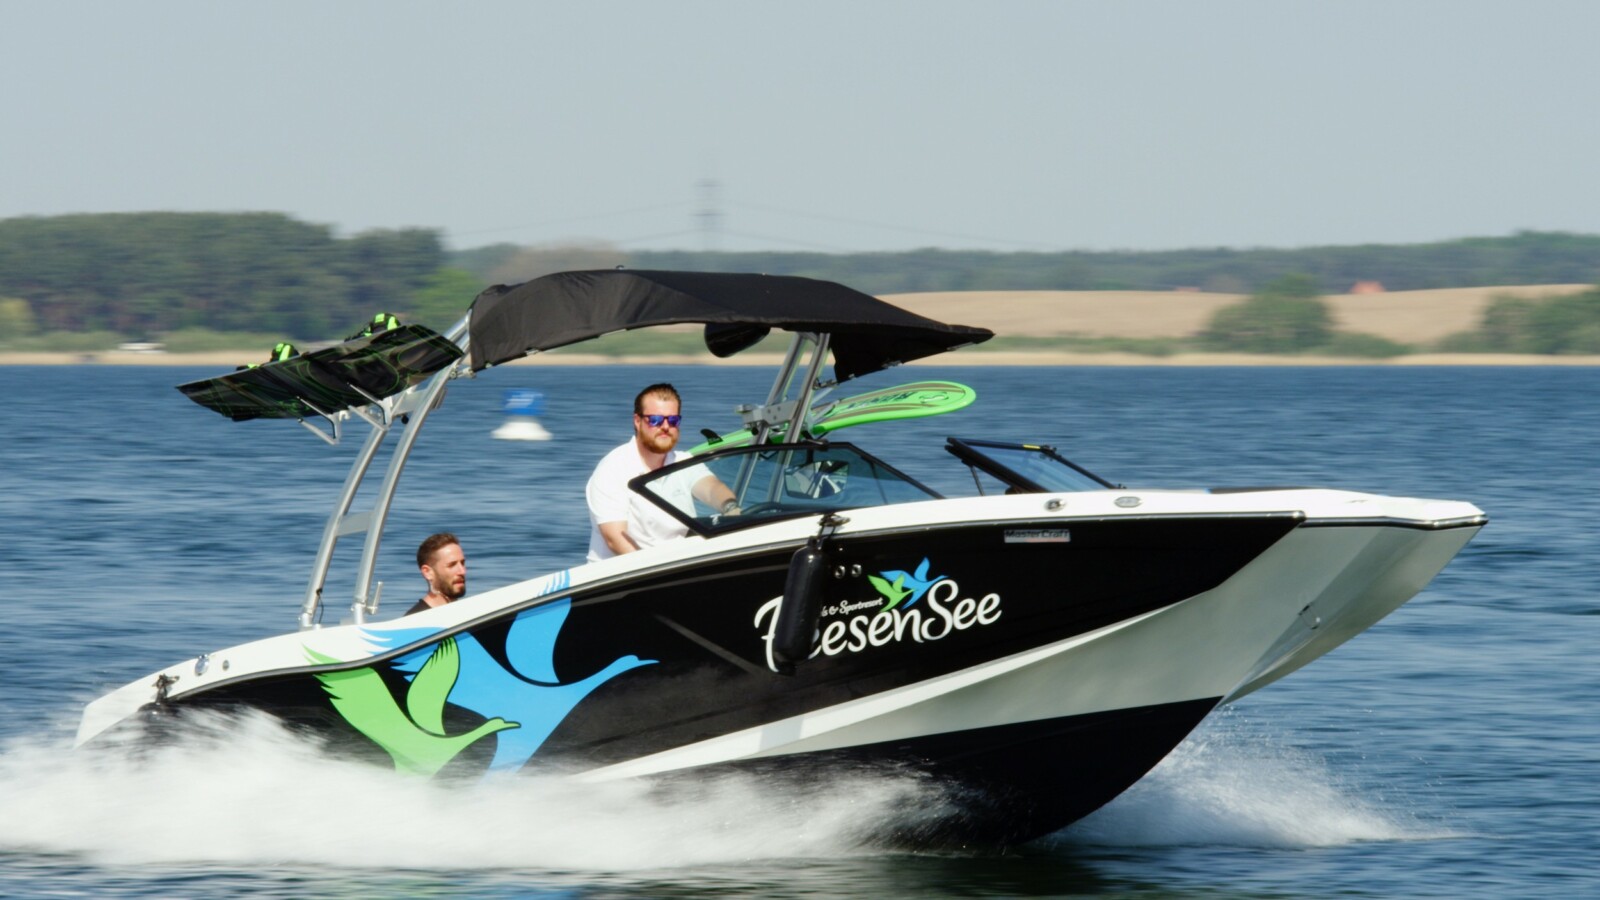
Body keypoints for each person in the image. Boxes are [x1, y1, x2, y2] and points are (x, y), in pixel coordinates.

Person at [586, 383, 739, 562]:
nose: (666, 426)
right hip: (621, 577)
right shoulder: (613, 469)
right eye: (656, 420)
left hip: (674, 566)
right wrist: (648, 568)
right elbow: (615, 538)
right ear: (637, 421)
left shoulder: (683, 462)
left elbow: (712, 488)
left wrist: (730, 507)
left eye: (673, 420)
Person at [406, 532, 467, 615]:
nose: (462, 571)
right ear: (428, 572)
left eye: (462, 563)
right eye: (452, 565)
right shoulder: (414, 620)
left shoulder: (468, 612)